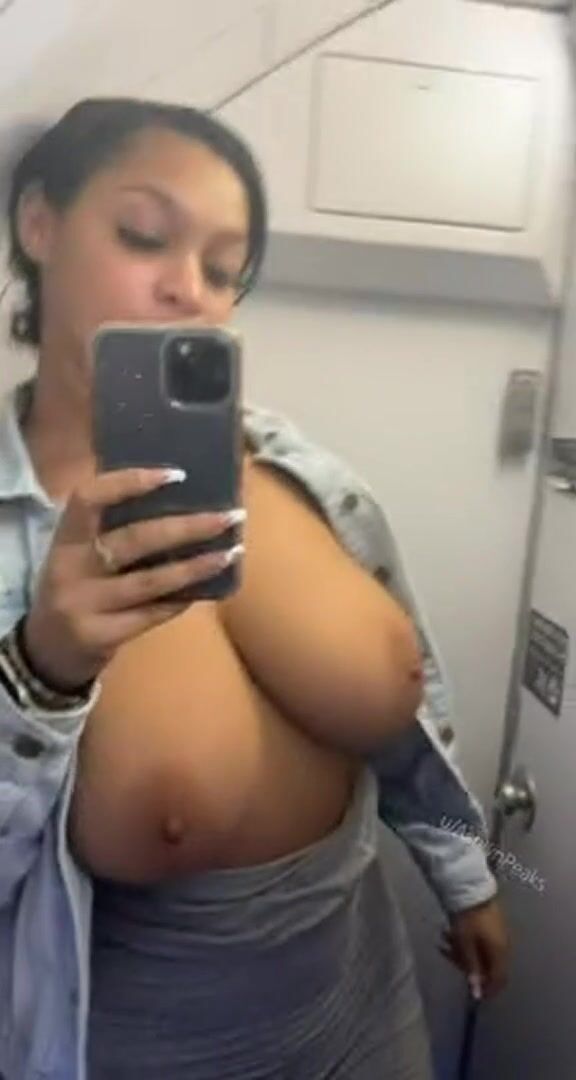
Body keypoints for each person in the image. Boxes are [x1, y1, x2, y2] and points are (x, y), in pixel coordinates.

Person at [0, 97, 508, 1080]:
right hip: (154, 1047)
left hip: (369, 1001)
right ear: (39, 225)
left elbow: (411, 719)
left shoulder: (292, 468)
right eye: (144, 235)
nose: (188, 288)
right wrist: (41, 670)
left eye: (225, 268)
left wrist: (469, 877)